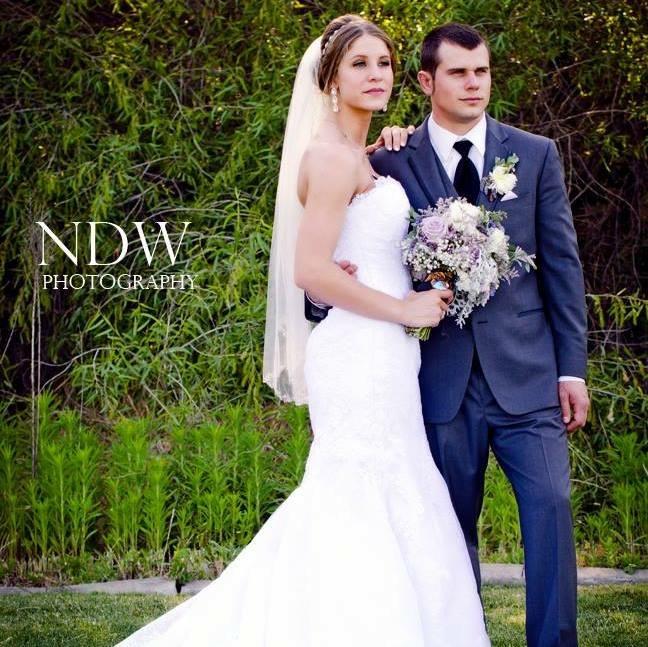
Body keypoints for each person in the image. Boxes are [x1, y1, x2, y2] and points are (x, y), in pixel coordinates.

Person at [116, 15, 490, 647]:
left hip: (384, 352)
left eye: (384, 63)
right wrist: (403, 309)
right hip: (361, 351)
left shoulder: (358, 155)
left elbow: (350, 249)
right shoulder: (330, 157)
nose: (376, 75)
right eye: (359, 64)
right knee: (358, 492)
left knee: (394, 488)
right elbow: (309, 269)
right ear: (329, 79)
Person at [308, 22, 590, 647]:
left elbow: (563, 268)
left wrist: (572, 368)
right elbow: (338, 254)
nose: (473, 84)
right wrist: (321, 292)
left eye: (481, 71)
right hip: (438, 380)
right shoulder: (388, 160)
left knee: (551, 507)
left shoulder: (535, 154)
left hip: (529, 376)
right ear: (426, 81)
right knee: (447, 531)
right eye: (458, 72)